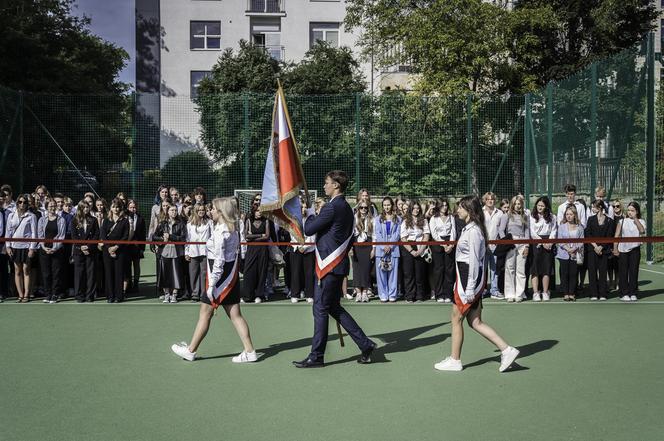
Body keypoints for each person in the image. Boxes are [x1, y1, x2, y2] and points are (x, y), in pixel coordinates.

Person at [293, 170, 376, 368]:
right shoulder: (346, 207)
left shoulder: (331, 208)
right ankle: (365, 344)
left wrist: (311, 213)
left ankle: (317, 356)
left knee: (320, 309)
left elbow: (309, 229)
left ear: (336, 185)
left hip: (329, 266)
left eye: (327, 182)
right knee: (333, 308)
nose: (324, 186)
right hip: (338, 265)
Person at [434, 195, 519, 373]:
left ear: (470, 211)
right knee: (475, 321)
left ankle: (455, 360)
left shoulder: (473, 232)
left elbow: (474, 261)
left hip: (468, 280)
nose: (457, 210)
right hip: (467, 277)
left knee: (456, 318)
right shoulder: (470, 228)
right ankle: (506, 350)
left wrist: (470, 287)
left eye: (461, 208)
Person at [171, 197, 257, 363]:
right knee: (235, 315)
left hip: (219, 279)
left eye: (213, 209)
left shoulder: (220, 232)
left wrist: (212, 286)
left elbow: (219, 261)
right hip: (229, 277)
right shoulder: (232, 228)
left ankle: (190, 350)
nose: (210, 211)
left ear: (221, 212)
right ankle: (250, 351)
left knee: (205, 314)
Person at [5, 194, 38, 302]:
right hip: (15, 247)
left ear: (27, 204)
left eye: (24, 202)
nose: (22, 204)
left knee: (26, 270)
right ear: (17, 203)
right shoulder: (11, 215)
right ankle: (20, 294)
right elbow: (8, 232)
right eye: (20, 202)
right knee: (17, 270)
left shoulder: (31, 216)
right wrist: (8, 246)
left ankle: (26, 294)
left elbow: (34, 233)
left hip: (27, 247)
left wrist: (32, 248)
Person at [153, 203, 187, 303]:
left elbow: (183, 238)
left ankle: (174, 295)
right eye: (171, 210)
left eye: (175, 210)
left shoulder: (181, 224)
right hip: (164, 252)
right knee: (165, 274)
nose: (174, 212)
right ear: (167, 212)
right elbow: (154, 237)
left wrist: (171, 236)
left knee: (176, 274)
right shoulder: (162, 223)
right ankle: (166, 294)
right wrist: (162, 239)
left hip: (176, 252)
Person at [499, 195, 530, 303]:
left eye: (519, 203)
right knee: (510, 268)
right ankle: (510, 294)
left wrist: (527, 246)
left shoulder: (525, 216)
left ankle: (519, 294)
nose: (518, 206)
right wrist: (506, 243)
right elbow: (501, 230)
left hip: (522, 243)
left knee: (520, 270)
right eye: (516, 204)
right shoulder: (506, 215)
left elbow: (527, 232)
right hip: (511, 243)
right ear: (513, 204)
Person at [613, 202, 645, 302]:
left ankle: (633, 292)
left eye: (632, 210)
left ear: (637, 211)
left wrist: (635, 219)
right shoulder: (622, 221)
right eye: (629, 210)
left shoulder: (641, 221)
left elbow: (642, 231)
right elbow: (617, 235)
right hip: (623, 250)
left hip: (635, 250)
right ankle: (624, 293)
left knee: (634, 271)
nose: (630, 212)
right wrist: (615, 248)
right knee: (623, 272)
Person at [400, 200, 430, 303]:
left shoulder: (424, 221)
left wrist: (421, 249)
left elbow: (426, 235)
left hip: (421, 246)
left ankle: (420, 296)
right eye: (414, 208)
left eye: (418, 208)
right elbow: (403, 238)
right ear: (410, 209)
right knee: (409, 273)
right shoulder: (405, 221)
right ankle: (409, 296)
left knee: (419, 273)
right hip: (408, 248)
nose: (416, 210)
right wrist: (412, 251)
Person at [99, 198, 129, 303]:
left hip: (120, 251)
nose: (115, 209)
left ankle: (119, 296)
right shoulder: (106, 220)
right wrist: (109, 248)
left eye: (117, 207)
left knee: (119, 273)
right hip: (107, 251)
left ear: (120, 208)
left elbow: (125, 236)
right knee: (109, 273)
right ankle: (110, 295)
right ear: (110, 208)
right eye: (113, 207)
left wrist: (116, 247)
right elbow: (103, 235)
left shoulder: (125, 221)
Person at [37, 199, 66, 303]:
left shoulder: (61, 220)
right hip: (44, 250)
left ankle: (55, 294)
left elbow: (61, 236)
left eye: (54, 206)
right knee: (46, 273)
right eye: (50, 206)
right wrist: (44, 247)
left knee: (56, 273)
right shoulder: (41, 220)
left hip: (56, 250)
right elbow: (40, 235)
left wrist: (54, 248)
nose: (52, 208)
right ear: (46, 207)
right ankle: (47, 294)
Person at [585, 200, 615, 301]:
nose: (592, 209)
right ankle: (593, 294)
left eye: (594, 207)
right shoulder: (590, 219)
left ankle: (603, 294)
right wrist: (595, 246)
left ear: (600, 207)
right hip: (592, 250)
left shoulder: (609, 220)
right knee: (592, 272)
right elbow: (588, 234)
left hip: (604, 250)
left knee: (603, 272)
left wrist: (601, 247)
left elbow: (609, 235)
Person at [373, 197, 401, 303]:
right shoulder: (378, 219)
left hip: (393, 250)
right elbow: (378, 233)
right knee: (381, 273)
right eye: (384, 205)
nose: (386, 207)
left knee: (393, 273)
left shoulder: (398, 219)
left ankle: (392, 294)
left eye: (388, 205)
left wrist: (390, 245)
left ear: (392, 205)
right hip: (381, 251)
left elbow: (397, 234)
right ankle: (383, 294)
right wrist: (383, 246)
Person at [529, 196, 557, 302]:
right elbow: (532, 232)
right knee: (535, 269)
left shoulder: (552, 217)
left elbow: (554, 230)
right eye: (538, 205)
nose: (540, 207)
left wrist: (549, 242)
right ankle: (536, 293)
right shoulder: (532, 216)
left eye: (542, 206)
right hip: (536, 244)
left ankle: (545, 292)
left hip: (548, 243)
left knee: (546, 268)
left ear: (546, 207)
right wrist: (541, 242)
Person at [71, 200, 99, 302]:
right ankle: (79, 295)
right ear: (80, 208)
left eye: (87, 207)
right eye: (83, 207)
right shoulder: (74, 220)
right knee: (79, 274)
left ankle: (89, 295)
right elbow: (73, 236)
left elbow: (96, 235)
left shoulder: (94, 220)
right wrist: (81, 246)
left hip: (91, 251)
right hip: (79, 251)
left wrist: (88, 246)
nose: (86, 209)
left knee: (91, 274)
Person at [289, 197, 316, 303]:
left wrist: (304, 247)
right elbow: (292, 233)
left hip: (309, 249)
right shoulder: (293, 219)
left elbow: (312, 235)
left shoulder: (311, 218)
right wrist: (299, 246)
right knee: (295, 272)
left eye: (305, 207)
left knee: (309, 273)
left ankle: (309, 294)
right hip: (296, 248)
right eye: (301, 207)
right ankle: (295, 294)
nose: (303, 209)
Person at [243, 202, 271, 303]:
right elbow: (246, 236)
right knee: (249, 271)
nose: (259, 213)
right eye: (257, 211)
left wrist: (253, 237)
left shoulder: (266, 221)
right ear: (253, 211)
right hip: (251, 249)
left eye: (261, 211)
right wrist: (260, 235)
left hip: (263, 250)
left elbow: (267, 236)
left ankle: (259, 295)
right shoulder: (249, 221)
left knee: (261, 271)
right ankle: (248, 296)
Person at [556, 205, 584, 301]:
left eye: (571, 214)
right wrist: (568, 249)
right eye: (567, 214)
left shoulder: (580, 227)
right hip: (563, 254)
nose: (568, 216)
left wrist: (574, 249)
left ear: (574, 215)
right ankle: (566, 293)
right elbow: (559, 240)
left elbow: (581, 241)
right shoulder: (561, 227)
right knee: (564, 274)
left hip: (575, 254)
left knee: (573, 273)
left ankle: (572, 293)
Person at [429, 198, 455, 303]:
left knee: (449, 270)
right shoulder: (433, 218)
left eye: (446, 205)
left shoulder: (451, 217)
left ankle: (448, 294)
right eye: (442, 205)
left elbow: (453, 231)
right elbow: (434, 234)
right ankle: (439, 294)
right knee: (439, 270)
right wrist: (443, 244)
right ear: (438, 207)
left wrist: (451, 244)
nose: (444, 207)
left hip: (449, 243)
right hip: (438, 244)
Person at [185, 204, 212, 302]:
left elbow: (212, 236)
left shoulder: (209, 222)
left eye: (203, 210)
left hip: (205, 251)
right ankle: (195, 294)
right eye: (199, 210)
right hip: (193, 251)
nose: (201, 211)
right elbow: (187, 239)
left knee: (204, 273)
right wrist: (186, 252)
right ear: (195, 211)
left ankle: (203, 294)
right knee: (193, 273)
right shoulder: (189, 224)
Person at [482, 192, 505, 300]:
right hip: (483, 245)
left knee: (494, 269)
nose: (490, 201)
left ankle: (494, 290)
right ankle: (481, 290)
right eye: (488, 199)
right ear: (485, 201)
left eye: (492, 199)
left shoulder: (500, 213)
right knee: (483, 269)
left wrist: (499, 240)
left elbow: (501, 230)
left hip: (496, 245)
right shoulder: (480, 212)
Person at [351, 199, 374, 302]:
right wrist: (351, 247)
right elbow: (350, 233)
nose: (363, 210)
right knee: (356, 269)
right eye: (361, 208)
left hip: (368, 244)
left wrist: (374, 249)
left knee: (366, 268)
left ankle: (365, 292)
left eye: (365, 208)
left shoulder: (372, 219)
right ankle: (358, 292)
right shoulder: (354, 218)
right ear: (358, 209)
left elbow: (374, 235)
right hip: (356, 244)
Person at [125, 199, 146, 294]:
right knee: (127, 266)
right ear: (127, 208)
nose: (133, 209)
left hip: (137, 246)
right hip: (127, 246)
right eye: (131, 207)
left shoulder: (141, 218)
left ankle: (136, 284)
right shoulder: (124, 218)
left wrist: (142, 248)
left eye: (134, 207)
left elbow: (143, 233)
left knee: (136, 265)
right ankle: (127, 284)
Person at [608, 199, 624, 291]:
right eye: (613, 206)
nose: (615, 208)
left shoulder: (624, 218)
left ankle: (617, 282)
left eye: (617, 206)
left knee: (618, 265)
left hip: (621, 244)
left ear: (621, 206)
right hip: (610, 244)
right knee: (610, 265)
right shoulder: (610, 218)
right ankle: (610, 282)